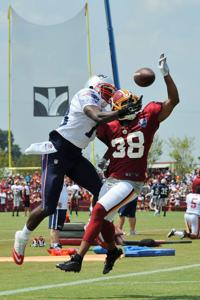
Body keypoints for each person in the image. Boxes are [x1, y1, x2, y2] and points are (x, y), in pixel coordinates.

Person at [56, 53, 180, 274]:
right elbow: (91, 124)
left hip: (131, 182)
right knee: (101, 224)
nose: (133, 107)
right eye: (128, 105)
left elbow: (173, 101)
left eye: (132, 104)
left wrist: (166, 75)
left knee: (98, 212)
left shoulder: (148, 117)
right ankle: (113, 251)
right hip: (112, 180)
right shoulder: (110, 125)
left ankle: (77, 259)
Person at [12, 74, 137, 265]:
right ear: (95, 87)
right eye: (107, 90)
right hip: (57, 151)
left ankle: (103, 237)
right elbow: (96, 115)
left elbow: (111, 137)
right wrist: (120, 114)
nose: (110, 96)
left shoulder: (104, 110)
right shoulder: (86, 94)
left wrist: (132, 124)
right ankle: (22, 236)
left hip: (75, 155)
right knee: (48, 207)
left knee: (103, 194)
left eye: (112, 92)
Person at [49, 178, 68, 250]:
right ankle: (54, 244)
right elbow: (52, 191)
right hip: (57, 207)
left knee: (58, 227)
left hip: (63, 207)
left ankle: (55, 243)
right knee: (54, 227)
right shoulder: (56, 179)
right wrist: (55, 201)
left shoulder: (63, 181)